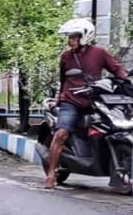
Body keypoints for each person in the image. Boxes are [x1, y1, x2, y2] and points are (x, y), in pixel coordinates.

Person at [43, 18, 128, 190]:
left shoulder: (99, 53)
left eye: (74, 37)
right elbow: (63, 80)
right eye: (70, 37)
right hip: (71, 101)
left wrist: (125, 81)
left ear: (85, 36)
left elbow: (116, 68)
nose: (70, 41)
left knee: (115, 127)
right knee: (61, 133)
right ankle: (52, 174)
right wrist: (60, 100)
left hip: (95, 100)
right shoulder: (66, 57)